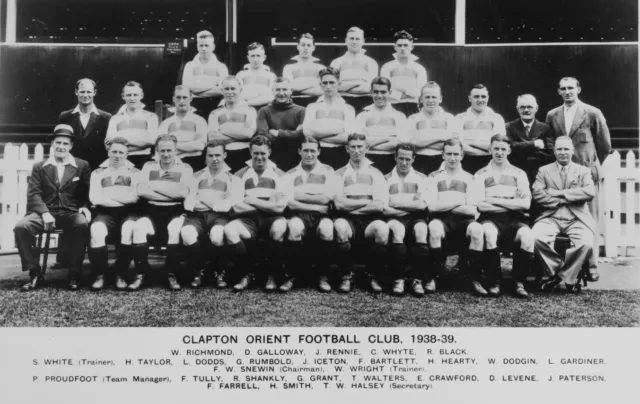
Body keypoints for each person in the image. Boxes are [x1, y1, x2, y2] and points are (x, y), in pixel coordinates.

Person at [545, 77, 611, 277]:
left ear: (578, 89)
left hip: (586, 174)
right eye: (563, 88)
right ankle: (564, 265)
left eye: (571, 88)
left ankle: (591, 267)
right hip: (562, 174)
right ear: (559, 92)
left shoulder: (592, 113)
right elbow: (550, 142)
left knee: (589, 220)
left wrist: (590, 164)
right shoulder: (552, 115)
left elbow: (604, 145)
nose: (567, 92)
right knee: (564, 221)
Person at [14, 124, 91, 291]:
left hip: (70, 212)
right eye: (58, 143)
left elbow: (87, 192)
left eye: (65, 143)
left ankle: (74, 274)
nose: (61, 147)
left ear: (71, 146)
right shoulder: (40, 166)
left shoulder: (82, 165)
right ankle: (35, 272)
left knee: (82, 224)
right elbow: (33, 194)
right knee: (21, 227)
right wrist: (45, 213)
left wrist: (85, 206)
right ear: (52, 144)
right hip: (44, 212)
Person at [127, 134, 193, 291]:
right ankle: (141, 274)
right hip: (151, 210)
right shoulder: (148, 167)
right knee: (139, 228)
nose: (166, 154)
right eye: (162, 151)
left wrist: (154, 187)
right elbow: (142, 190)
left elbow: (183, 193)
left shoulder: (186, 168)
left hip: (175, 210)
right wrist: (171, 190)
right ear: (156, 151)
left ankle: (171, 274)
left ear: (176, 150)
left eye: (169, 150)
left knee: (174, 230)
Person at [223, 135, 288, 292]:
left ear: (269, 152)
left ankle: (271, 274)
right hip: (248, 220)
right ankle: (246, 273)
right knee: (230, 230)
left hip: (273, 219)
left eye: (263, 153)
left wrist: (251, 199)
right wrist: (268, 204)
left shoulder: (280, 175)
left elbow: (279, 209)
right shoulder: (240, 175)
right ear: (249, 152)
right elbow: (237, 208)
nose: (259, 157)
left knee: (280, 226)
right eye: (255, 153)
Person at [532, 136, 596, 292]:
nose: (563, 152)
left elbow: (589, 192)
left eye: (566, 149)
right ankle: (563, 272)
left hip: (577, 218)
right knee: (535, 237)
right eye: (559, 149)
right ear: (554, 151)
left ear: (572, 151)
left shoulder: (583, 171)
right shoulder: (544, 170)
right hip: (550, 216)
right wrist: (567, 198)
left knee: (586, 243)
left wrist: (558, 194)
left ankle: (559, 276)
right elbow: (538, 194)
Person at [475, 134, 534, 298]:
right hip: (490, 219)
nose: (499, 153)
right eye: (496, 149)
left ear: (509, 150)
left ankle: (518, 282)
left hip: (515, 219)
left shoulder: (519, 173)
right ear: (490, 149)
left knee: (528, 236)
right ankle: (495, 281)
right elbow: (480, 205)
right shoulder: (481, 174)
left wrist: (493, 199)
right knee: (489, 233)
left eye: (503, 149)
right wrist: (511, 201)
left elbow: (525, 205)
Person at [426, 138, 484, 295]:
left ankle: (472, 278)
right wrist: (459, 200)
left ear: (462, 155)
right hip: (441, 220)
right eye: (449, 154)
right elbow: (432, 207)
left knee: (477, 230)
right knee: (434, 227)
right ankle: (435, 276)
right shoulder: (433, 177)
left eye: (456, 154)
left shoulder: (471, 178)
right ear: (442, 155)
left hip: (464, 221)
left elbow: (472, 210)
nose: (452, 158)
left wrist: (445, 204)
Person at [333, 133, 389, 293]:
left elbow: (379, 206)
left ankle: (372, 275)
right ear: (347, 149)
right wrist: (367, 200)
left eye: (360, 147)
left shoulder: (376, 173)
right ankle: (346, 275)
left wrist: (350, 204)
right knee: (339, 226)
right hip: (347, 220)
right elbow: (338, 204)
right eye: (353, 147)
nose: (357, 150)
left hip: (369, 220)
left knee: (383, 229)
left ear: (367, 148)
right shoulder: (339, 173)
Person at [181, 142, 242, 289]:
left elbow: (228, 206)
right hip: (196, 216)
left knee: (217, 235)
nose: (214, 159)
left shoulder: (234, 179)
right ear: (206, 157)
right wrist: (218, 203)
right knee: (187, 233)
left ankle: (218, 271)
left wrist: (201, 198)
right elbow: (189, 204)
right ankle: (200, 270)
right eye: (210, 155)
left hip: (220, 218)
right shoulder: (195, 177)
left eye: (218, 155)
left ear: (225, 155)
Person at [282, 136, 337, 292]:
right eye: (305, 150)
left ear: (319, 152)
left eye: (313, 150)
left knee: (327, 230)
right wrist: (316, 206)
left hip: (322, 216)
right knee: (294, 228)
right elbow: (289, 202)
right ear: (299, 151)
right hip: (299, 215)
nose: (309, 154)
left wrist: (299, 195)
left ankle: (322, 275)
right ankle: (294, 275)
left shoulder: (328, 171)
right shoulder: (291, 173)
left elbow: (327, 198)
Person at [87, 137, 139, 290]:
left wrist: (109, 198)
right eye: (114, 151)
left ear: (127, 154)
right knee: (96, 230)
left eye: (121, 152)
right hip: (105, 213)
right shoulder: (98, 172)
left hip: (128, 213)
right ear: (108, 152)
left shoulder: (135, 172)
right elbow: (95, 198)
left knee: (128, 228)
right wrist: (121, 199)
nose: (117, 155)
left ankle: (119, 274)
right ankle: (100, 274)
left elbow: (135, 197)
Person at [383, 143, 430, 296]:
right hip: (393, 218)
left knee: (422, 230)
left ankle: (417, 279)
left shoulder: (422, 178)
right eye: (401, 158)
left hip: (415, 218)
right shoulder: (385, 178)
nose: (404, 163)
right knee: (398, 230)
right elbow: (384, 207)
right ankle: (399, 279)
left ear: (413, 159)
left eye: (408, 159)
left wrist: (395, 203)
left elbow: (422, 205)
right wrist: (411, 204)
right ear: (395, 157)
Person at [302, 67, 357, 169]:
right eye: (325, 83)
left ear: (339, 84)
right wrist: (336, 131)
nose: (328, 86)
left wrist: (318, 136)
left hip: (340, 154)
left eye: (332, 83)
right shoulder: (312, 107)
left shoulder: (348, 108)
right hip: (317, 154)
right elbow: (307, 133)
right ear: (320, 85)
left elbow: (348, 137)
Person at [355, 76, 408, 174]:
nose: (379, 95)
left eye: (383, 92)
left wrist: (370, 142)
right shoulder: (362, 116)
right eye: (376, 92)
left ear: (390, 92)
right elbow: (359, 143)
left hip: (391, 162)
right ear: (371, 92)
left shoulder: (399, 116)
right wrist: (388, 138)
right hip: (368, 160)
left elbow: (401, 143)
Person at [407, 82, 460, 176]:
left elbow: (452, 145)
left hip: (442, 161)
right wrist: (440, 138)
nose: (430, 100)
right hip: (418, 161)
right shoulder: (413, 119)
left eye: (434, 97)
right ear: (421, 99)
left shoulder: (450, 118)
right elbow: (410, 145)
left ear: (440, 99)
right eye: (427, 97)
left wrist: (421, 143)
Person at [58, 78, 112, 170]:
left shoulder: (106, 117)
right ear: (76, 92)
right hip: (72, 168)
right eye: (82, 92)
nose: (85, 95)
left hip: (97, 168)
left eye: (89, 92)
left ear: (94, 92)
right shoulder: (65, 117)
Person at [207, 76, 257, 172]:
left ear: (240, 90)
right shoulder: (215, 113)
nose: (230, 92)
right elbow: (212, 138)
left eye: (233, 88)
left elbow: (248, 134)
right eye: (226, 89)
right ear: (222, 90)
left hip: (244, 153)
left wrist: (223, 131)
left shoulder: (249, 110)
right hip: (223, 155)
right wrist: (240, 135)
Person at [256, 77, 306, 171]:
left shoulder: (301, 111)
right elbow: (262, 135)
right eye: (278, 89)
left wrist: (279, 133)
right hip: (272, 158)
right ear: (272, 91)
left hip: (296, 158)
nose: (281, 93)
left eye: (285, 89)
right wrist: (292, 134)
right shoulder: (264, 111)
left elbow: (302, 135)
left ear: (291, 91)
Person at [106, 81, 159, 169]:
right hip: (120, 161)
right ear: (123, 96)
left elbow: (152, 141)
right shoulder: (115, 119)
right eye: (129, 95)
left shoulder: (151, 116)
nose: (132, 98)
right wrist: (141, 143)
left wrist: (120, 141)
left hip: (143, 160)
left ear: (141, 95)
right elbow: (108, 145)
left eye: (135, 95)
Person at [455, 84, 506, 175]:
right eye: (476, 96)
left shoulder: (497, 118)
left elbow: (498, 145)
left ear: (488, 98)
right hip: (465, 163)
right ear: (469, 98)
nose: (480, 100)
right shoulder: (459, 118)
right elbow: (457, 145)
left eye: (483, 96)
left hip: (489, 163)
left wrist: (470, 142)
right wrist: (485, 149)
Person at [505, 94, 554, 187]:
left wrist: (520, 147)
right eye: (522, 107)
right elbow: (510, 147)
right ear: (517, 109)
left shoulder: (545, 128)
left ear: (536, 108)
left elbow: (550, 152)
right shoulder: (509, 127)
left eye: (529, 107)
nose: (526, 110)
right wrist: (534, 144)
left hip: (539, 174)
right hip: (516, 172)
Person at [158, 85, 207, 170]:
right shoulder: (165, 123)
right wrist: (190, 144)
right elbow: (161, 147)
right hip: (172, 164)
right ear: (173, 99)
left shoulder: (199, 121)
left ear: (191, 98)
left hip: (195, 162)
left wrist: (171, 146)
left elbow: (199, 146)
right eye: (178, 97)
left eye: (185, 97)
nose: (181, 101)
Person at [330, 27, 378, 114]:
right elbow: (334, 87)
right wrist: (358, 83)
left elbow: (369, 88)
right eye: (351, 38)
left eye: (357, 39)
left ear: (363, 41)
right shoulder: (336, 62)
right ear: (346, 40)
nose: (354, 41)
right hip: (342, 102)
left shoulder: (371, 62)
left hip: (365, 102)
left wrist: (344, 86)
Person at [181, 30, 229, 119]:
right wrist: (211, 87)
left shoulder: (221, 67)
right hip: (194, 106)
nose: (203, 48)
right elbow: (187, 88)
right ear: (197, 47)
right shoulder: (189, 66)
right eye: (201, 45)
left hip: (216, 106)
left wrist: (196, 91)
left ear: (213, 47)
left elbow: (222, 90)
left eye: (206, 45)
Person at [380, 30, 427, 117]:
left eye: (405, 45)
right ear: (395, 47)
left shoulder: (419, 68)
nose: (402, 48)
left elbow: (420, 93)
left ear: (412, 47)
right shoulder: (386, 67)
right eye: (399, 45)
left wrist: (401, 89)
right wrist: (407, 94)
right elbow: (384, 91)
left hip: (412, 108)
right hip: (391, 107)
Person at [282, 33, 325, 108]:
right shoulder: (289, 66)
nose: (306, 48)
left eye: (308, 45)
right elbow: (288, 88)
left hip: (317, 104)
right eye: (303, 45)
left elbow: (323, 90)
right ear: (298, 46)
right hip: (294, 105)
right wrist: (314, 82)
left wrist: (296, 87)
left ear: (313, 48)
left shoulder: (321, 67)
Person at [236, 42, 277, 110]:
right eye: (252, 56)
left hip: (265, 110)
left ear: (264, 57)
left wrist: (248, 101)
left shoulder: (271, 76)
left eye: (258, 55)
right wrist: (261, 95)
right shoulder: (241, 75)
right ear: (248, 58)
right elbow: (237, 95)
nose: (255, 59)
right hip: (244, 110)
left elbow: (272, 97)